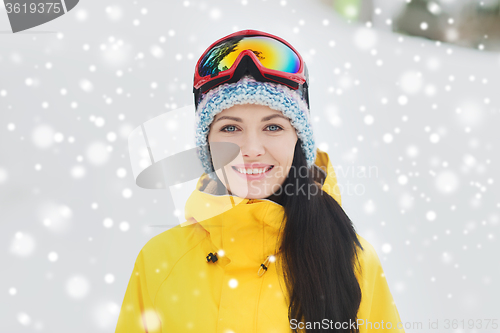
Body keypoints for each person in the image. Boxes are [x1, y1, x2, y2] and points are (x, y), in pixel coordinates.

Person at [115, 29, 405, 333]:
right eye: (230, 129)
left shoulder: (353, 261)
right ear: (207, 144)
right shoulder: (160, 260)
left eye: (273, 127)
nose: (252, 149)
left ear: (297, 139)